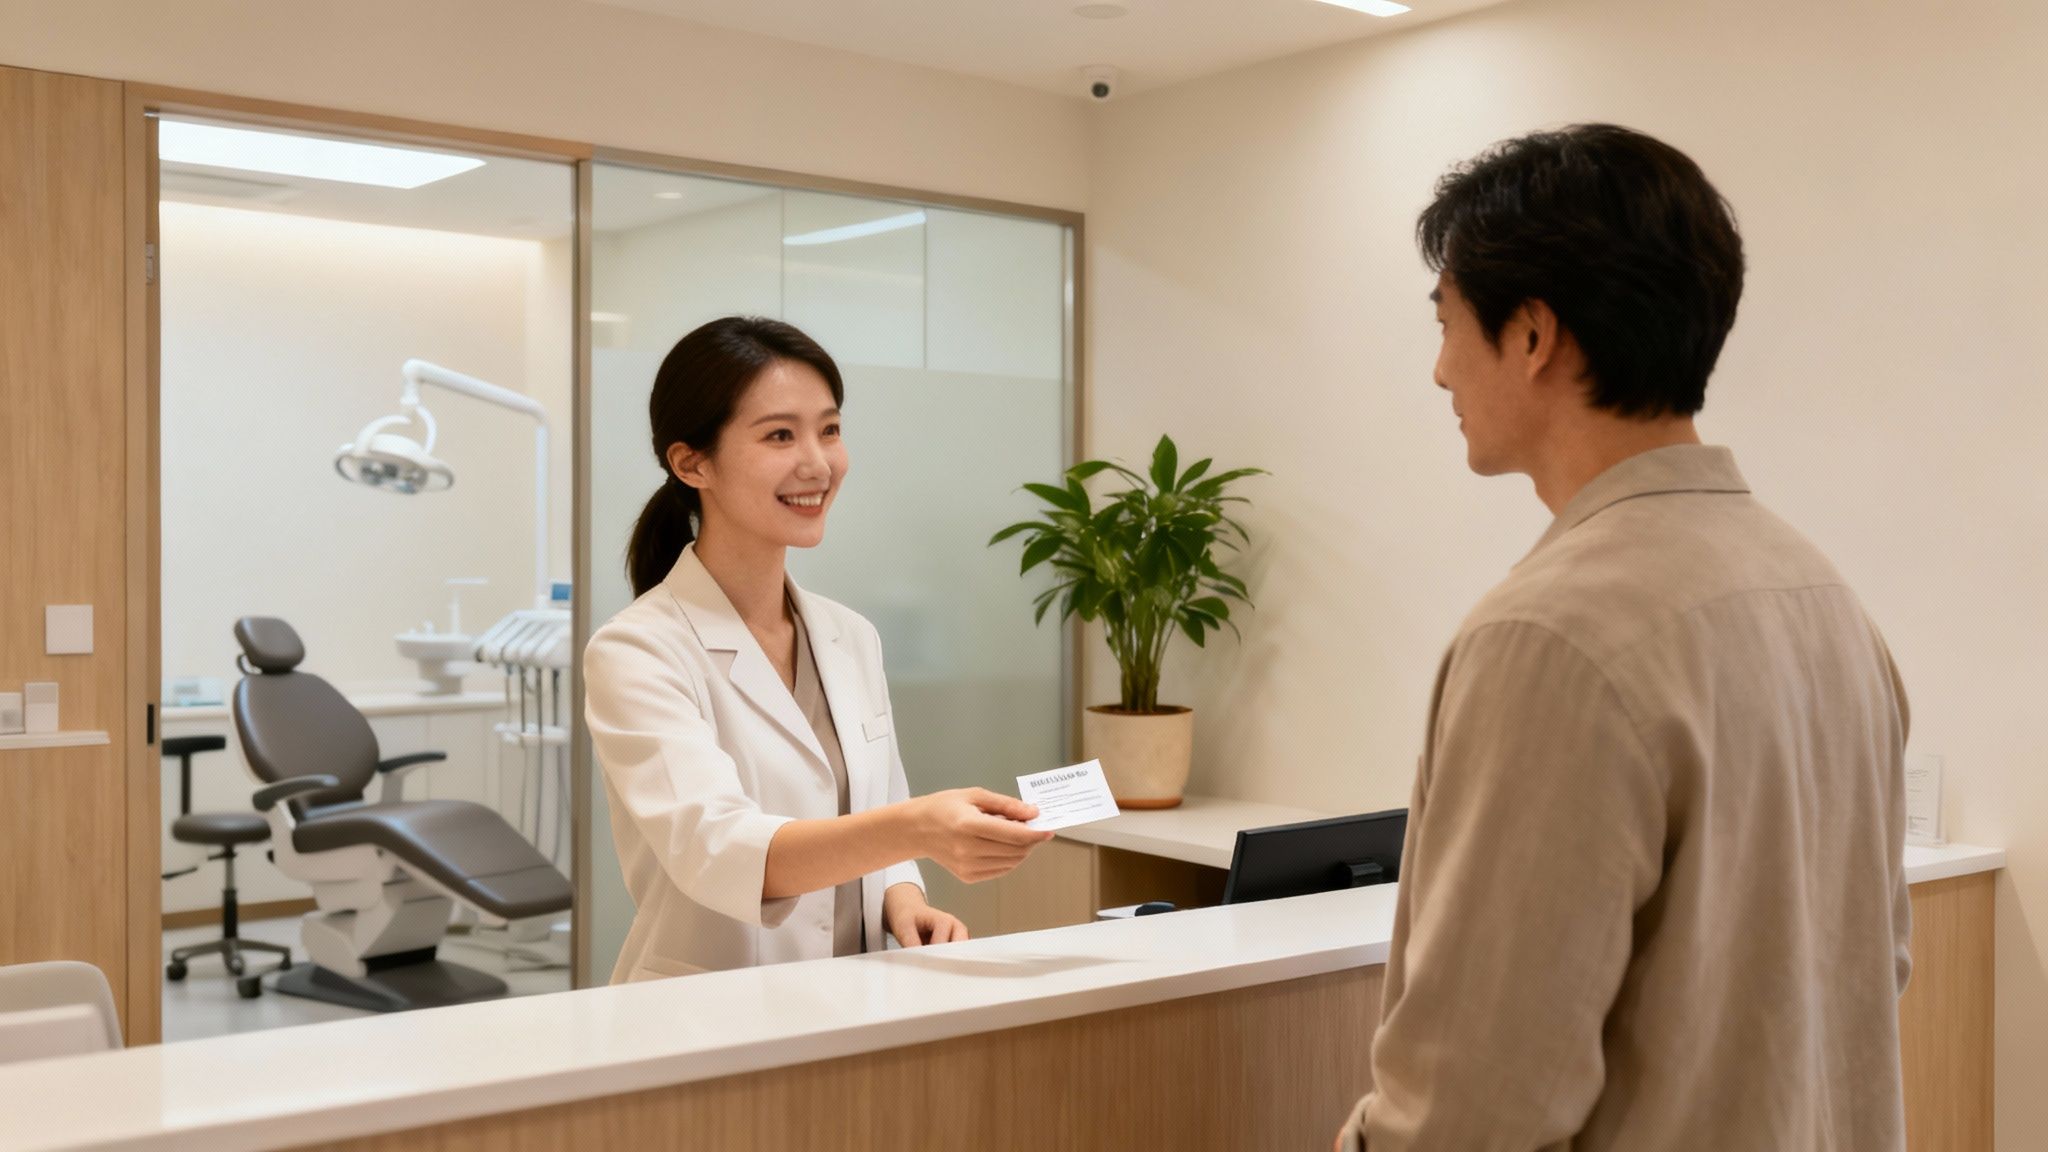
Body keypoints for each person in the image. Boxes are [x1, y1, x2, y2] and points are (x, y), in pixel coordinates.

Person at [1337, 125, 1913, 1150]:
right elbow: (1874, 971)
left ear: (1529, 336)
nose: (1436, 372)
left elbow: (1474, 1104)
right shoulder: (1822, 598)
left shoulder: (1549, 637)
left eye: (1446, 324)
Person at [584, 315, 1053, 983]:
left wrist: (904, 896)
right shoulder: (637, 651)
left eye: (829, 430)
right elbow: (719, 850)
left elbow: (872, 809)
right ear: (692, 462)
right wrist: (918, 829)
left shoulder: (849, 636)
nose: (818, 462)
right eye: (780, 434)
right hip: (706, 1018)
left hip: (851, 1004)